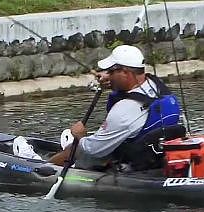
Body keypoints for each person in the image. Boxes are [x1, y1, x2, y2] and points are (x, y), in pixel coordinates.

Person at [48, 45, 184, 171]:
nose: (108, 74)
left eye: (111, 71)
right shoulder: (155, 85)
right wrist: (113, 80)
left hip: (131, 161)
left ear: (125, 73)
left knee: (75, 148)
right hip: (154, 153)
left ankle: (45, 167)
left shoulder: (124, 111)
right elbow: (133, 87)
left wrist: (79, 136)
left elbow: (94, 149)